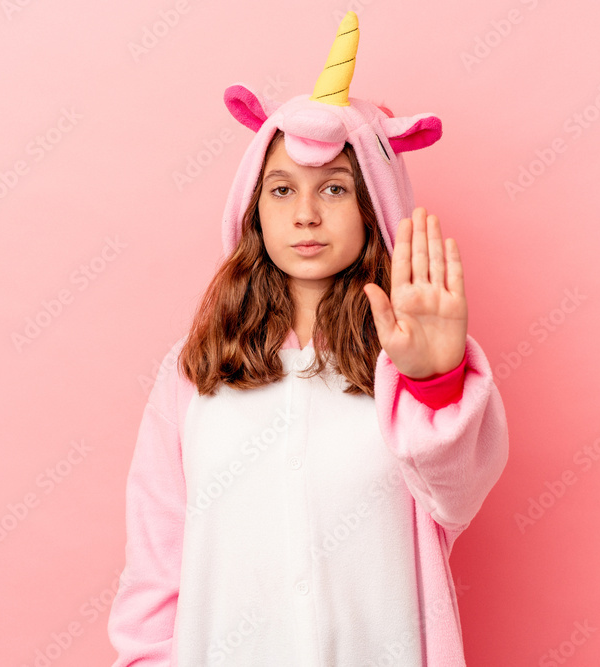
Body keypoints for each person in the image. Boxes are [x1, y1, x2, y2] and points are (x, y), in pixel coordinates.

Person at [108, 11, 509, 666]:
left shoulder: (402, 364)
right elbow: (156, 569)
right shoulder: (194, 375)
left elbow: (456, 496)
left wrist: (436, 384)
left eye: (333, 188)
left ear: (373, 205)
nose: (304, 213)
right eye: (281, 188)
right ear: (253, 208)